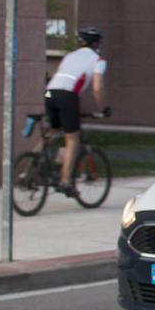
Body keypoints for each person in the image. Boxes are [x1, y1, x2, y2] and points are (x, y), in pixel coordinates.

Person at [43, 27, 109, 196]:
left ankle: (30, 168)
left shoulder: (70, 56)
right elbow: (97, 87)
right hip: (67, 95)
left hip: (50, 92)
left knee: (53, 132)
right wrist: (102, 108)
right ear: (96, 43)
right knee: (72, 139)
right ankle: (65, 181)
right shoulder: (98, 60)